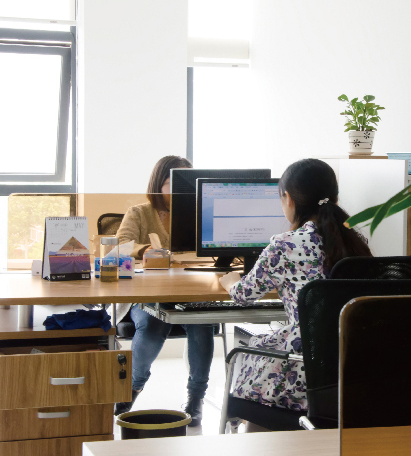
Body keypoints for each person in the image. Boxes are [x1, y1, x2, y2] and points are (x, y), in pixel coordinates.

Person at [218, 158, 371, 418]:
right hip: (354, 367)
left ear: (288, 199)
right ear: (335, 197)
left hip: (304, 369)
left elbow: (244, 295)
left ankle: (259, 430)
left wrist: (230, 281)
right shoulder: (355, 240)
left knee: (252, 359)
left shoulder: (285, 244)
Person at [110, 155, 214, 427]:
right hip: (149, 294)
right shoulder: (139, 212)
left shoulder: (199, 212)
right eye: (174, 182)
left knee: (202, 323)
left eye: (188, 182)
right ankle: (131, 389)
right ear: (159, 183)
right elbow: (120, 245)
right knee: (153, 324)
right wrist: (144, 249)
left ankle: (196, 397)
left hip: (191, 291)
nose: (182, 189)